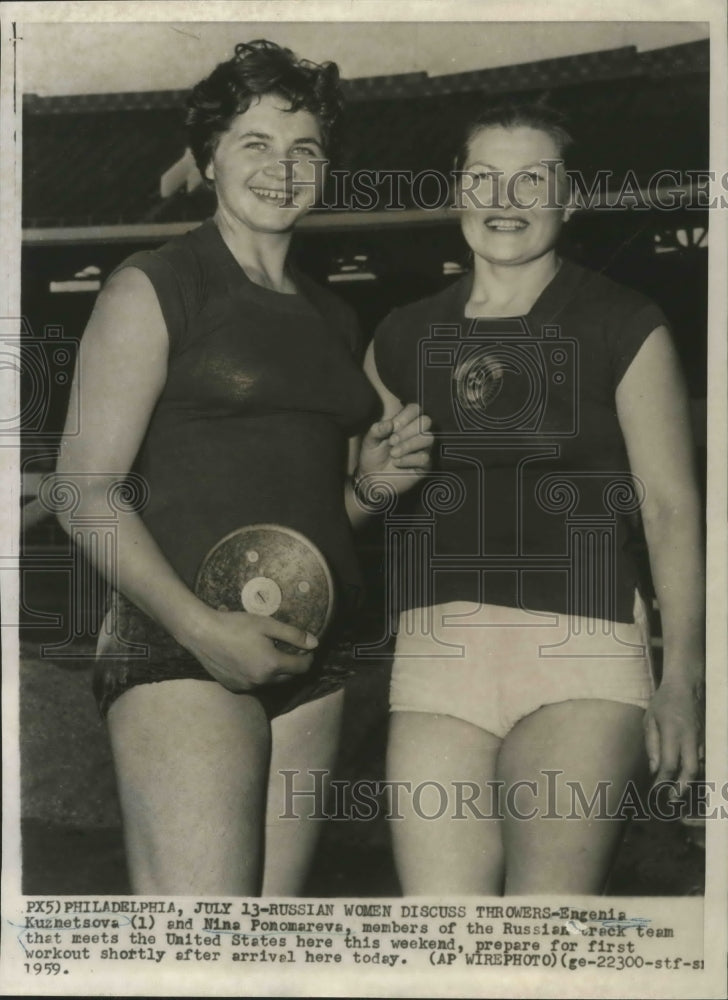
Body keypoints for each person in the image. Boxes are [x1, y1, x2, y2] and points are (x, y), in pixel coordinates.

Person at [55, 39, 432, 896]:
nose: (283, 167)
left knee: (270, 947)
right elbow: (82, 492)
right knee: (202, 951)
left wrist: (372, 485)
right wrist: (200, 630)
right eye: (255, 142)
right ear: (206, 159)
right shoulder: (154, 286)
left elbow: (315, 510)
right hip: (180, 647)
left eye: (305, 148)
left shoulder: (335, 315)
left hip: (313, 656)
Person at [366, 104, 705, 894]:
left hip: (580, 658)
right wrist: (372, 480)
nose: (504, 198)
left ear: (570, 197)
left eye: (531, 179)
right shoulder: (399, 337)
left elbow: (670, 510)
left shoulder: (625, 323)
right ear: (457, 193)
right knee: (442, 940)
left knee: (541, 933)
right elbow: (355, 498)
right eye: (483, 178)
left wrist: (684, 676)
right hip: (436, 662)